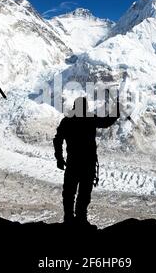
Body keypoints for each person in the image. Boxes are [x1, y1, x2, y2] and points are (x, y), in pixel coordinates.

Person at [53, 96, 120, 225]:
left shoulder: (67, 121)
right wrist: (116, 110)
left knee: (69, 193)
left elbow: (58, 140)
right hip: (88, 164)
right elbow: (106, 122)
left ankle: (69, 219)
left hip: (73, 163)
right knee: (84, 193)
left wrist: (59, 159)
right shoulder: (90, 119)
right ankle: (81, 219)